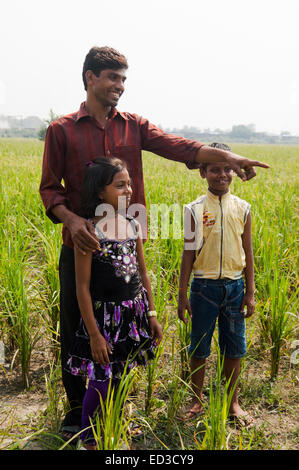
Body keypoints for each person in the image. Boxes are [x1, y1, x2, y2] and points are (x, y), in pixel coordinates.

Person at [39, 46, 268, 439]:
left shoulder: (135, 125)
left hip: (126, 247)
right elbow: (49, 189)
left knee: (123, 329)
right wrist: (73, 220)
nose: (120, 86)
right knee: (79, 327)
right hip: (81, 245)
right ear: (91, 77)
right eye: (113, 77)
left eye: (124, 79)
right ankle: (79, 414)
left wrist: (231, 159)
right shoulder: (62, 130)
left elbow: (181, 147)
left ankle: (115, 405)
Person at [66, 156, 162, 449]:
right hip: (105, 319)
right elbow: (82, 287)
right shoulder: (89, 231)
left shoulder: (134, 224)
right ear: (100, 192)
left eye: (129, 184)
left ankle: (115, 424)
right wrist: (94, 334)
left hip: (133, 316)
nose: (129, 190)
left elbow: (142, 272)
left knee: (123, 373)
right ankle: (90, 440)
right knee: (101, 379)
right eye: (120, 185)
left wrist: (152, 313)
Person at [177, 143, 255, 427]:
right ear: (203, 172)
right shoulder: (194, 209)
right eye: (214, 169)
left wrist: (250, 292)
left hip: (234, 288)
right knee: (199, 346)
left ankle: (232, 402)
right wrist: (182, 293)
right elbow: (188, 253)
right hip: (203, 289)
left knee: (234, 347)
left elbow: (248, 252)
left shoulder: (243, 208)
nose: (221, 175)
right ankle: (196, 399)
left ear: (234, 171)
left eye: (226, 169)